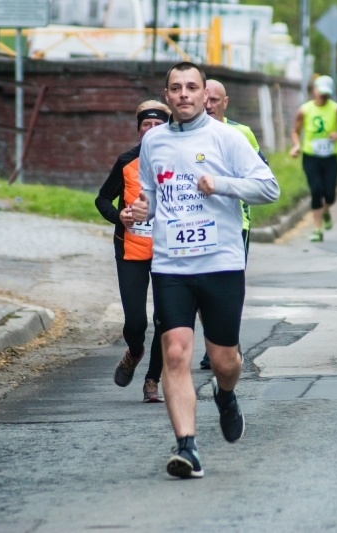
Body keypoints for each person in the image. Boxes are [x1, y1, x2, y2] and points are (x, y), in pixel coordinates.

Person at [131, 62, 279, 479]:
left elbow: (269, 187)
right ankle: (187, 447)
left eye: (191, 87)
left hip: (221, 264)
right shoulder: (153, 142)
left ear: (203, 94)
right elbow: (151, 199)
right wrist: (139, 212)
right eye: (175, 88)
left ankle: (226, 394)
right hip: (171, 266)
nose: (183, 95)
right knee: (175, 353)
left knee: (224, 360)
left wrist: (222, 184)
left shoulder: (227, 138)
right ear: (166, 94)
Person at [95, 100, 171, 403]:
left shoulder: (179, 161)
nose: (151, 130)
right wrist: (119, 216)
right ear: (139, 129)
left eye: (158, 125)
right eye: (146, 125)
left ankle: (152, 381)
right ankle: (135, 350)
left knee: (166, 319)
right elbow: (102, 199)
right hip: (131, 248)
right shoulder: (127, 160)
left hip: (169, 251)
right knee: (136, 321)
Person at [199, 79, 267, 371]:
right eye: (206, 99)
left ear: (225, 102)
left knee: (228, 288)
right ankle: (212, 344)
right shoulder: (189, 133)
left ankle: (228, 341)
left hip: (237, 222)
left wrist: (227, 185)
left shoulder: (242, 133)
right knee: (203, 288)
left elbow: (259, 175)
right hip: (200, 220)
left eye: (216, 100)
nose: (210, 105)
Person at [289, 75, 337, 242]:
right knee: (316, 191)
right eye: (320, 92)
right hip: (311, 156)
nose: (323, 96)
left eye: (326, 93)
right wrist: (296, 146)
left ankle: (325, 211)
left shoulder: (336, 108)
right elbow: (295, 131)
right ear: (314, 91)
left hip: (330, 157)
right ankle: (317, 229)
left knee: (330, 195)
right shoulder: (304, 110)